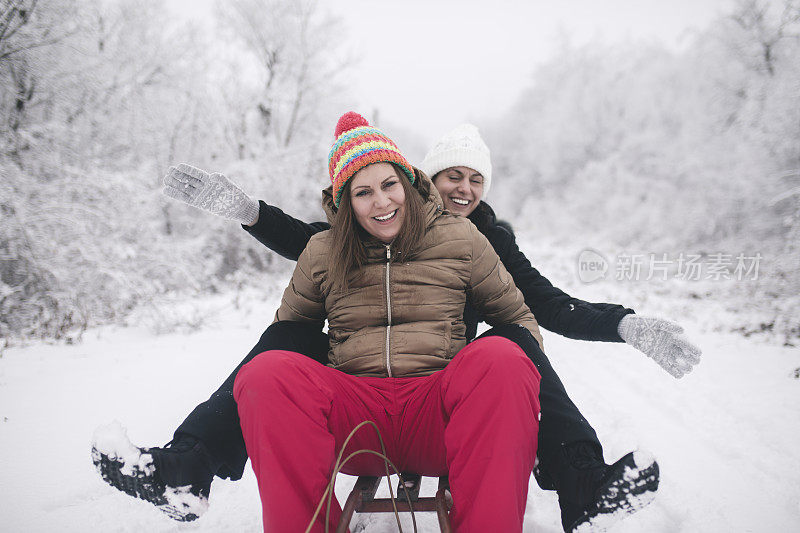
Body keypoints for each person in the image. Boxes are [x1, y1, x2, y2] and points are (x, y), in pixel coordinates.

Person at [93, 118, 700, 531]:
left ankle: (580, 476)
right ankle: (189, 463)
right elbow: (310, 241)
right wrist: (248, 211)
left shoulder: (473, 240)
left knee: (511, 346)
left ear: (408, 186)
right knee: (281, 349)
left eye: (475, 178)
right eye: (450, 176)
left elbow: (538, 305)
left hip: (447, 395)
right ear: (424, 181)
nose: (462, 188)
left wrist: (623, 324)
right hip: (358, 404)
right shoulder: (333, 245)